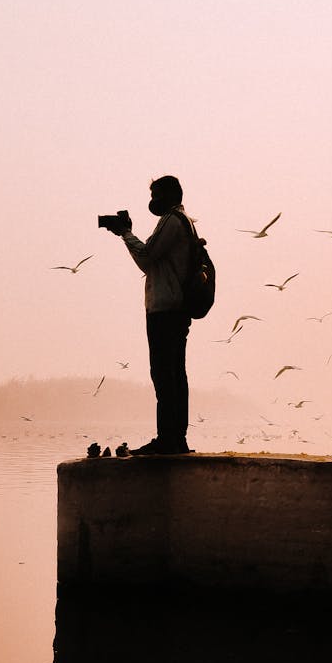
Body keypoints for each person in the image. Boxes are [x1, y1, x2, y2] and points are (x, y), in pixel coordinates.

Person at [103, 176, 195, 455]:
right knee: (175, 373)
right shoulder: (185, 222)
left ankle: (168, 439)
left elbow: (147, 257)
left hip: (165, 308)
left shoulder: (171, 220)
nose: (151, 201)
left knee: (164, 374)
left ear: (168, 196)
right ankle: (175, 438)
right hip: (176, 308)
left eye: (155, 195)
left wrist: (125, 234)